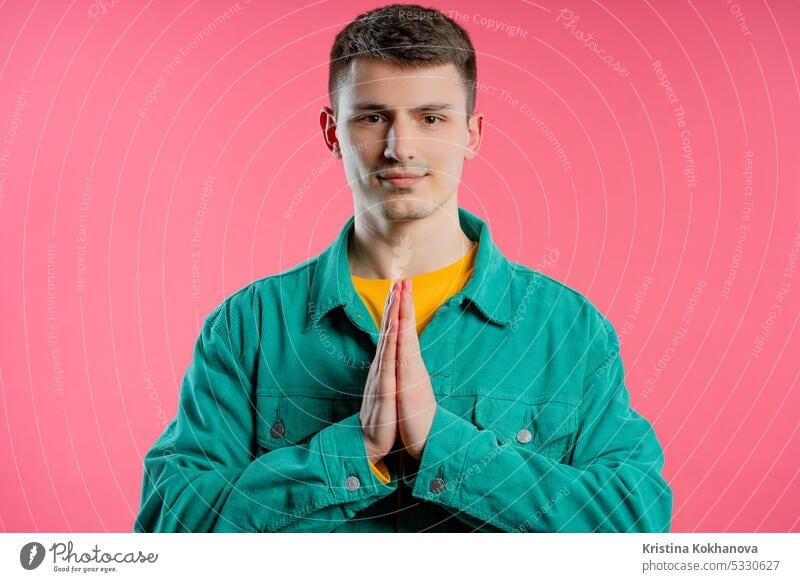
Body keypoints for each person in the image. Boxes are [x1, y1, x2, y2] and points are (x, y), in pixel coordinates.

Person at [134, 3, 672, 533]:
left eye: (431, 118)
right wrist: (354, 450)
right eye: (372, 117)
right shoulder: (249, 325)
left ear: (472, 133)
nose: (400, 147)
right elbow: (169, 527)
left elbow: (635, 526)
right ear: (331, 132)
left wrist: (443, 444)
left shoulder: (566, 327)